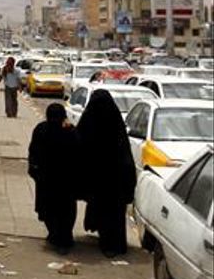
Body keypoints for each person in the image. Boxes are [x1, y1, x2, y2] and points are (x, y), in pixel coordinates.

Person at [76, 88, 136, 256]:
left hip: (97, 178)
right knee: (114, 213)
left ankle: (106, 241)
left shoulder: (89, 119)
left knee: (101, 207)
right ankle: (114, 244)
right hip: (115, 179)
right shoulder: (116, 123)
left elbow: (78, 145)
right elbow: (126, 155)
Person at [27, 103, 78, 251]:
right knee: (66, 210)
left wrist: (34, 170)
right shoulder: (69, 132)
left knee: (48, 208)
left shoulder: (41, 129)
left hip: (46, 180)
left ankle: (55, 235)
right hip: (65, 181)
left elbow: (33, 152)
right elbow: (78, 155)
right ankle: (64, 237)